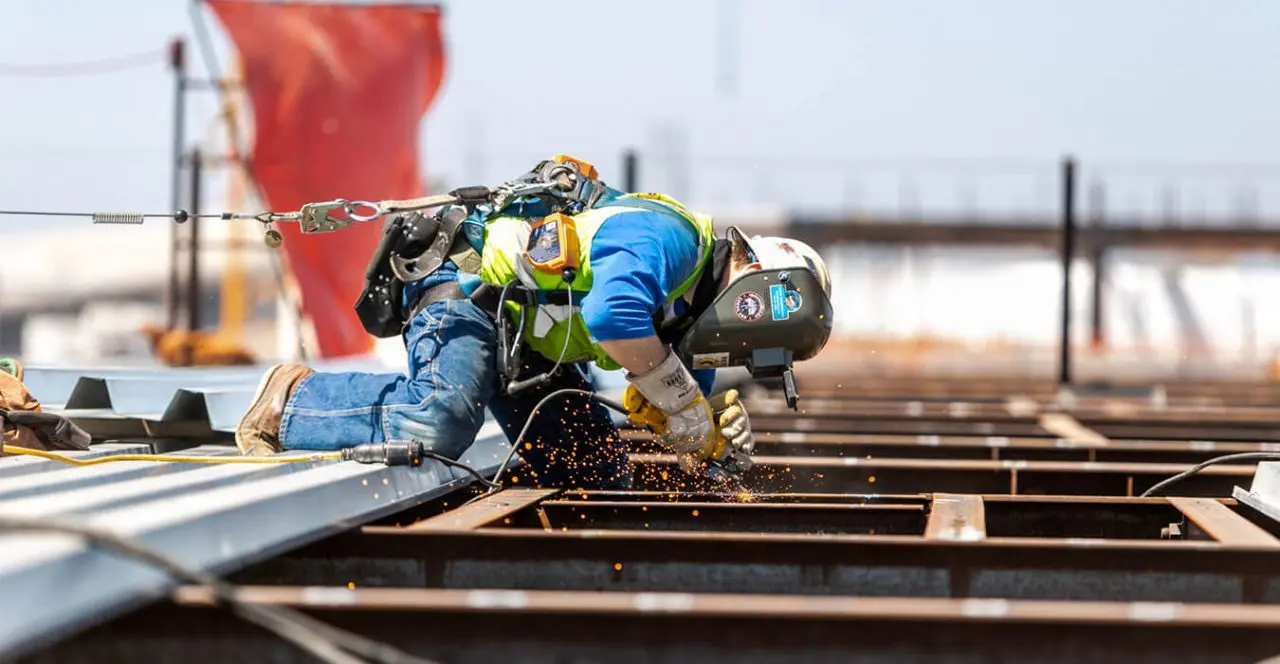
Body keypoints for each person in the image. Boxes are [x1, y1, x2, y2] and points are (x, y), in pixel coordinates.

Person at [234, 157, 832, 490]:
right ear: (757, 282)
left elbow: (665, 392)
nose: (739, 352)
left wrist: (712, 441)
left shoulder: (691, 316)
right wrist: (681, 404)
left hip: (522, 344)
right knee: (438, 419)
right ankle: (293, 402)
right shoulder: (673, 241)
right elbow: (614, 319)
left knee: (597, 478)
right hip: (463, 287)